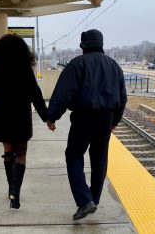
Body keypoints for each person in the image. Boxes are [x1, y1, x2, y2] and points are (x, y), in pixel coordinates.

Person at [47, 29, 127, 220]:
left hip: (83, 118)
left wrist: (52, 117)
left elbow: (63, 94)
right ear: (101, 45)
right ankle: (94, 199)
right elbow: (122, 97)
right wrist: (115, 120)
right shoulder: (114, 66)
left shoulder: (77, 64)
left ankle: (85, 201)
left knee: (74, 155)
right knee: (99, 160)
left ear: (83, 46)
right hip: (106, 119)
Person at [0, 34, 54, 209]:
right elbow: (35, 92)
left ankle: (10, 188)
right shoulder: (24, 66)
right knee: (21, 152)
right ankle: (15, 191)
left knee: (8, 150)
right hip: (21, 113)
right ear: (23, 51)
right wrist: (47, 118)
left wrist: (1, 91)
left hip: (2, 113)